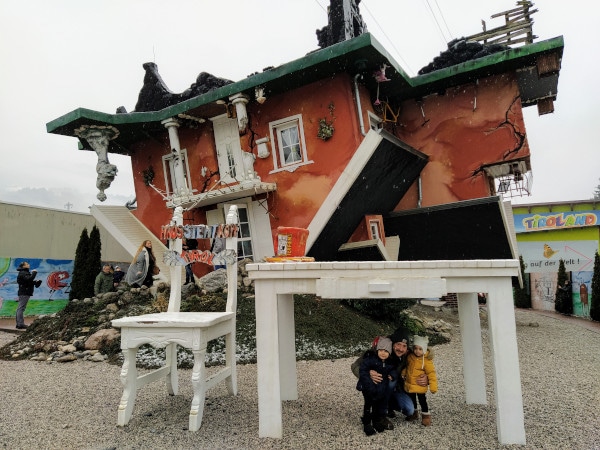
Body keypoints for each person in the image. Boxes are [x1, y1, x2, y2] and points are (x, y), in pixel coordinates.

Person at [356, 337, 397, 435]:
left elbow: (393, 370)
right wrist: (368, 384)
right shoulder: (370, 359)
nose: (383, 353)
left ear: (390, 353)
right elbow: (363, 370)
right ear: (377, 350)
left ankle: (375, 421)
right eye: (381, 350)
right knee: (368, 406)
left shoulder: (389, 363)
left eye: (386, 351)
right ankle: (366, 423)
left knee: (376, 406)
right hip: (368, 389)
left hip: (380, 389)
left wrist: (393, 375)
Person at [403, 335, 438, 426]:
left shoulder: (426, 360)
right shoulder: (410, 357)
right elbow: (407, 367)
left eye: (420, 349)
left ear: (424, 349)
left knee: (422, 400)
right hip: (410, 384)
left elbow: (431, 374)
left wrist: (433, 386)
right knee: (412, 400)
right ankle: (414, 413)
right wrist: (403, 373)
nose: (417, 351)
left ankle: (426, 416)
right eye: (415, 348)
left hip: (420, 385)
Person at [16, 261, 40, 329]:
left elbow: (27, 282)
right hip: (24, 292)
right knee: (21, 308)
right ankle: (20, 324)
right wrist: (34, 272)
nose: (28, 265)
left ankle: (19, 324)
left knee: (20, 308)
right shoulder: (23, 273)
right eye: (27, 264)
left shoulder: (24, 273)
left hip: (24, 292)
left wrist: (35, 282)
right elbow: (29, 279)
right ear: (23, 266)